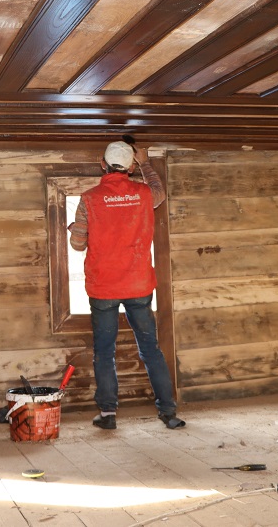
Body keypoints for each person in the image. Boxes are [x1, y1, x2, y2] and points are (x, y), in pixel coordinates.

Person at [68, 140, 185, 430]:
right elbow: (160, 192)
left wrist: (77, 229)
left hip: (103, 288)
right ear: (131, 167)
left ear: (101, 163)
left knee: (104, 352)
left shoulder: (89, 199)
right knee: (150, 349)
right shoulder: (144, 193)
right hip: (139, 286)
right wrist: (146, 162)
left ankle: (108, 415)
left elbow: (77, 244)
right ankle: (168, 412)